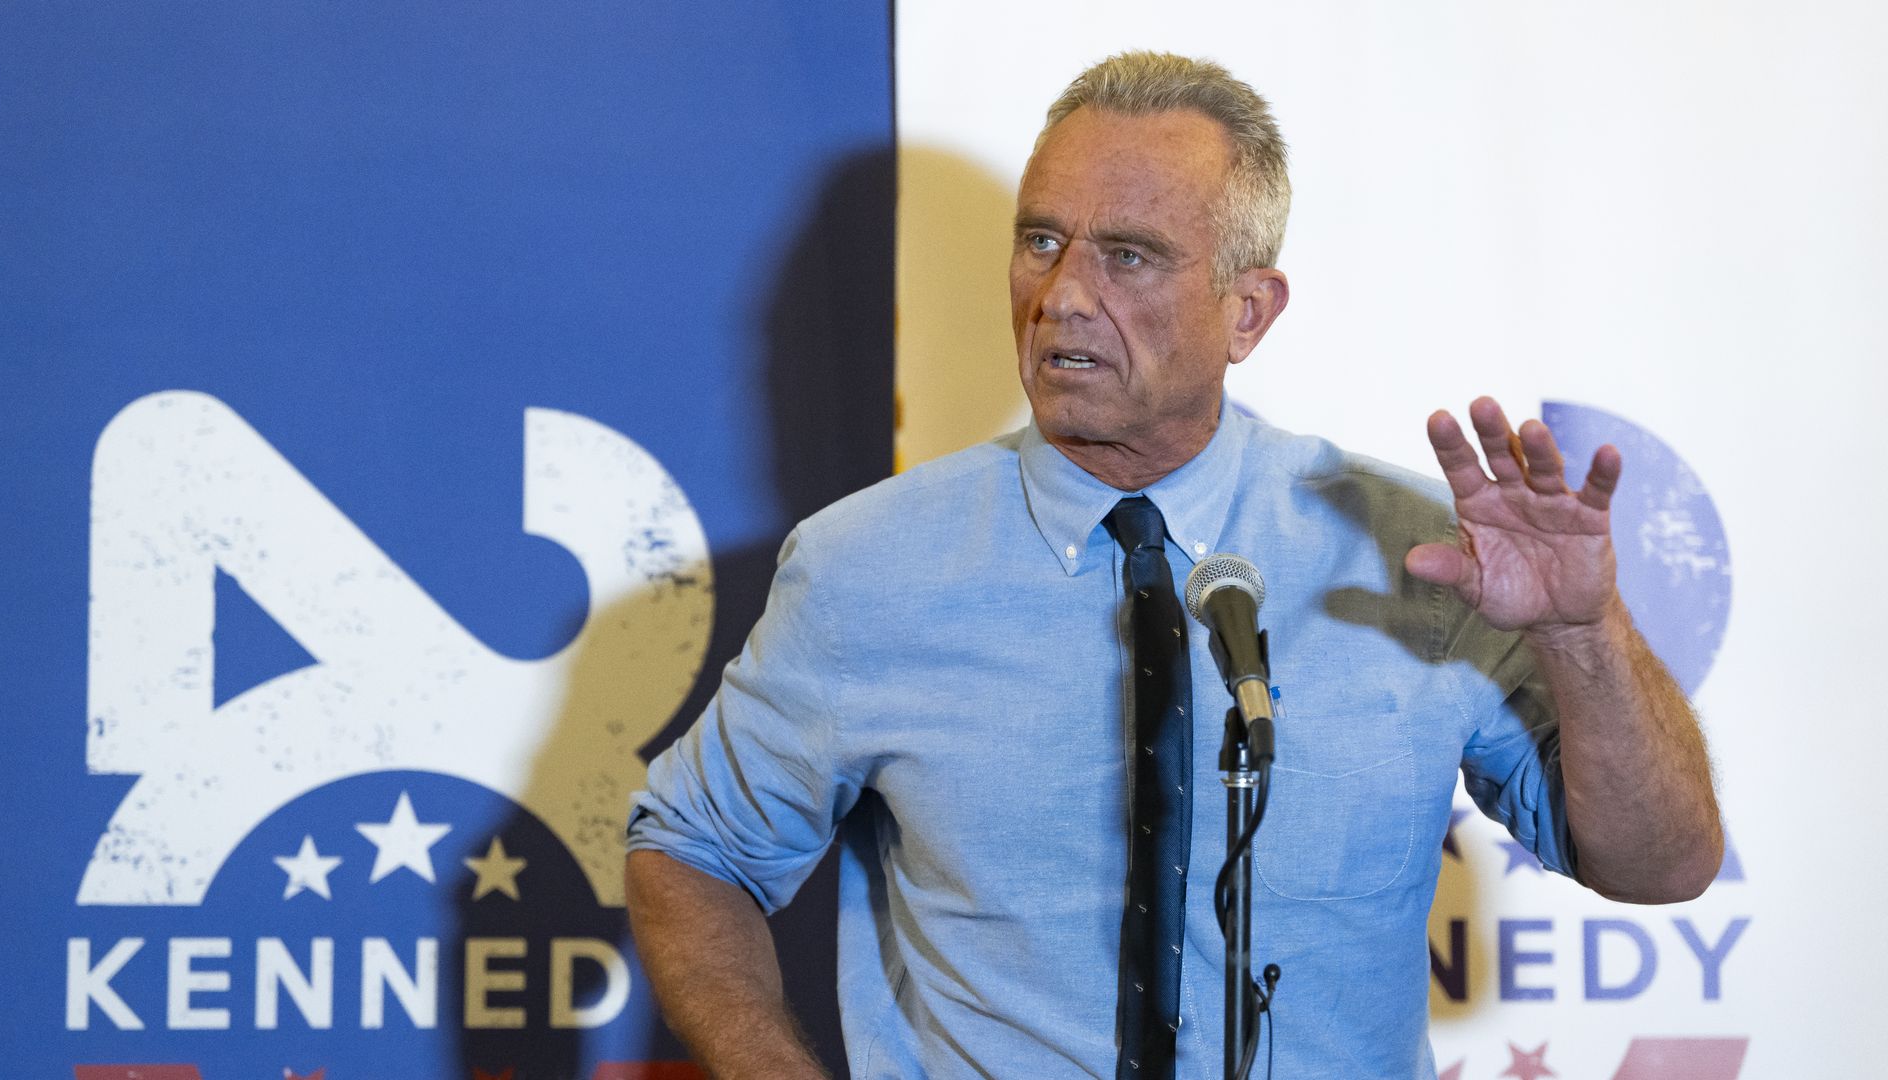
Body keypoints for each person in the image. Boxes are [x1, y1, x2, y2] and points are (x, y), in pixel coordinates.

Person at [624, 51, 1722, 1080]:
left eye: (1129, 255)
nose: (1061, 295)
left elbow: (1661, 865)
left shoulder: (1418, 554)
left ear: (1246, 312)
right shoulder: (866, 568)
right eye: (1042, 241)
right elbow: (689, 850)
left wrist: (1584, 635)